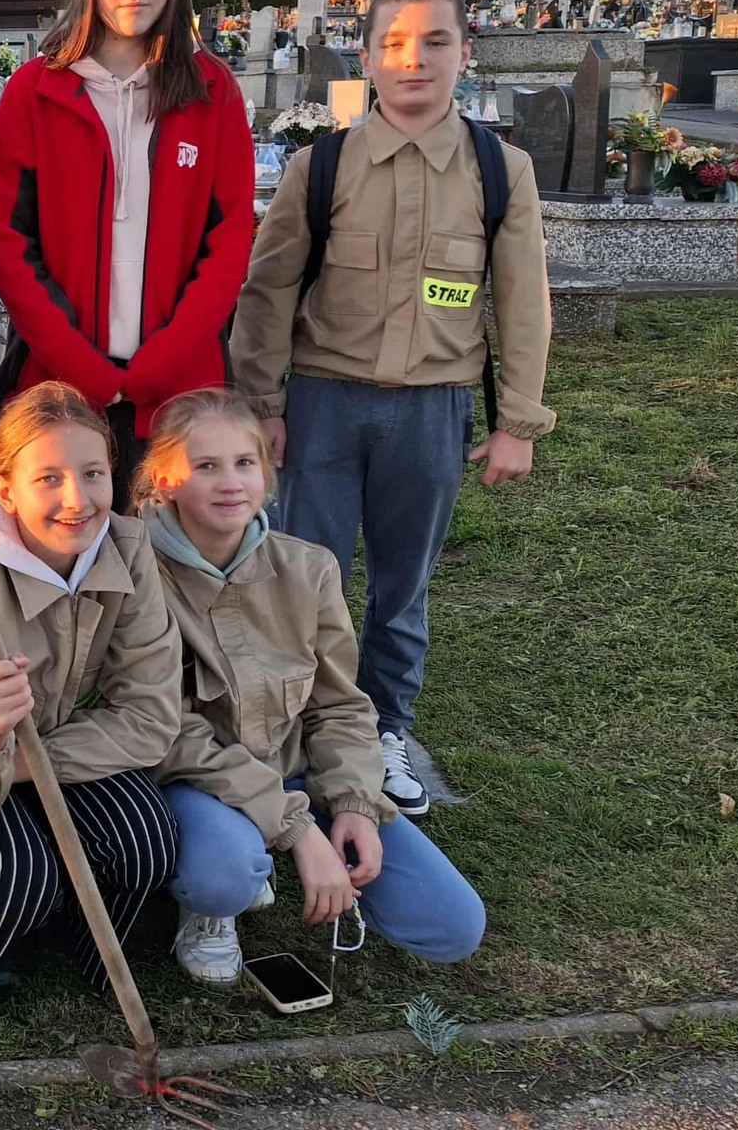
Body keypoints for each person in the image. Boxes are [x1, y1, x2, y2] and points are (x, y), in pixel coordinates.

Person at [231, 0, 554, 817]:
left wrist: (516, 420)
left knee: (403, 588)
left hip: (432, 411)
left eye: (437, 42)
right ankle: (303, 730)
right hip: (324, 406)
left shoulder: (498, 170)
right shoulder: (321, 165)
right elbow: (267, 293)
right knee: (309, 577)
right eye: (397, 44)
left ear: (464, 54)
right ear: (368, 57)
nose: (417, 61)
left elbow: (522, 302)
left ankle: (385, 730)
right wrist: (263, 405)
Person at [138, 391, 485, 986]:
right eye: (206, 466)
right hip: (195, 783)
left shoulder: (309, 567)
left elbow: (340, 704)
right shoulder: (135, 572)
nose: (230, 483)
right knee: (225, 872)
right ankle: (214, 900)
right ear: (165, 481)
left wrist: (352, 803)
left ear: (268, 476)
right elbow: (169, 735)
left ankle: (290, 860)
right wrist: (297, 829)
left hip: (293, 769)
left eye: (245, 464)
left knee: (452, 927)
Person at [0, 382, 184, 1015]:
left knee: (149, 839)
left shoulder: (129, 550)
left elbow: (151, 720)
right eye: (48, 478)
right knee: (17, 878)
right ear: (6, 487)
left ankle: (76, 942)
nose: (77, 500)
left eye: (93, 473)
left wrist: (30, 763)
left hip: (50, 743)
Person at [0, 0, 255, 488]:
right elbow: (7, 242)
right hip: (59, 384)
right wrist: (85, 368)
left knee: (172, 569)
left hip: (183, 389)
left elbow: (229, 240)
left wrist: (163, 360)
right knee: (66, 561)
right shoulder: (34, 93)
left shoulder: (213, 91)